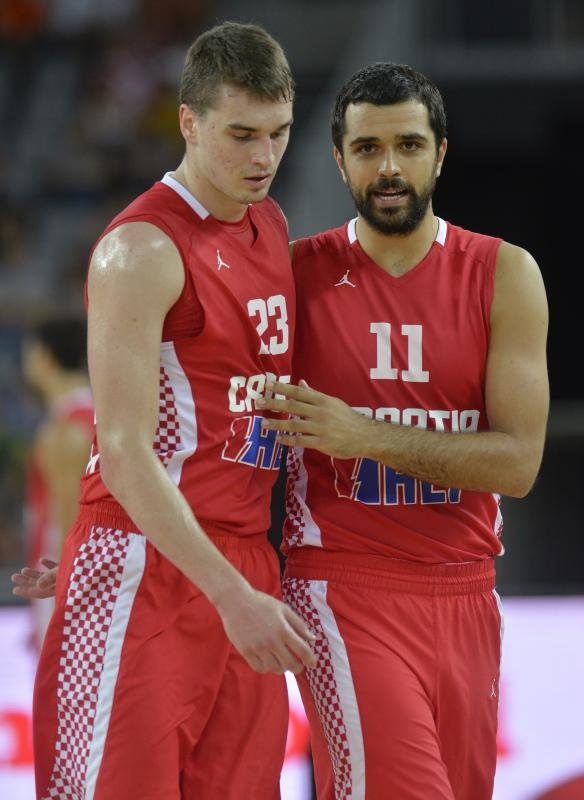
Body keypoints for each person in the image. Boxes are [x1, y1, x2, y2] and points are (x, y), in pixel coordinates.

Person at [13, 21, 316, 800]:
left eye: (279, 134)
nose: (263, 157)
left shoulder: (271, 225)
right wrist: (107, 550)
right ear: (188, 121)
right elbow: (122, 451)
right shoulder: (141, 249)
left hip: (238, 560)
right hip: (153, 567)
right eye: (241, 134)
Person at [257, 62, 549, 799]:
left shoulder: (504, 273)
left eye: (409, 146)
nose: (389, 168)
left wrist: (366, 436)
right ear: (339, 159)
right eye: (367, 149)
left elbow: (517, 463)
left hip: (469, 592)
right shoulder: (293, 277)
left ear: (440, 153)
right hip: (341, 586)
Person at [17, 317, 94, 652]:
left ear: (44, 356)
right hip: (84, 570)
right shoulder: (94, 415)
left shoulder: (66, 430)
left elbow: (68, 520)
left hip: (58, 573)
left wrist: (63, 590)